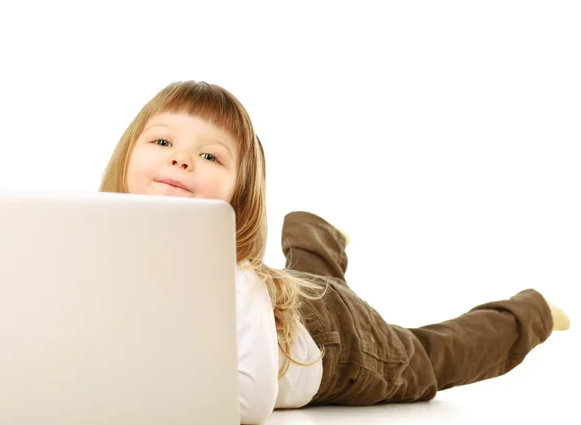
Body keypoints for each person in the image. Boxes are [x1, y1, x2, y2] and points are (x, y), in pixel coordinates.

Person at [98, 80, 570, 424]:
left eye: (211, 156)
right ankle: (312, 229)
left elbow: (250, 402)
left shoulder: (235, 281)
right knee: (311, 281)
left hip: (338, 350)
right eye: (162, 141)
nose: (180, 158)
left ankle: (529, 314)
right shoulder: (98, 257)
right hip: (291, 304)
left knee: (430, 357)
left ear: (238, 197)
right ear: (127, 158)